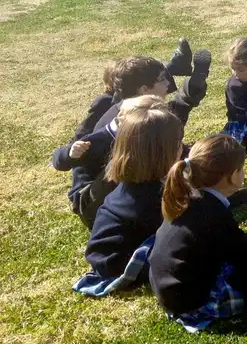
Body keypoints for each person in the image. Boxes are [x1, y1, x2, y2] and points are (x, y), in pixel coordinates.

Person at [52, 54, 209, 229]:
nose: (168, 84)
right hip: (94, 204)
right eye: (162, 79)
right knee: (140, 156)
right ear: (144, 90)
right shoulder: (116, 125)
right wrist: (70, 153)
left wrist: (190, 93)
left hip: (124, 191)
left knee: (175, 152)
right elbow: (63, 160)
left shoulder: (142, 111)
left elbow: (168, 123)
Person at [150, 135, 247, 334]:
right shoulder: (212, 213)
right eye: (242, 168)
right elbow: (242, 253)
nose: (245, 173)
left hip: (169, 289)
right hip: (194, 303)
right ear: (231, 176)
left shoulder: (189, 198)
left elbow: (229, 241)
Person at [73, 100, 184, 297]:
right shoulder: (143, 196)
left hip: (124, 247)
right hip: (116, 261)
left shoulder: (143, 181)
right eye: (177, 144)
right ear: (158, 154)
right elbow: (175, 224)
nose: (182, 149)